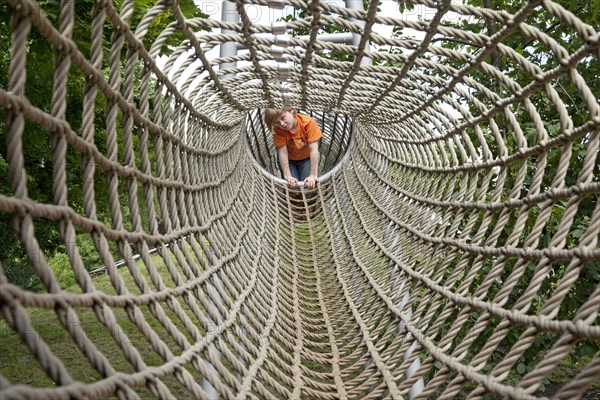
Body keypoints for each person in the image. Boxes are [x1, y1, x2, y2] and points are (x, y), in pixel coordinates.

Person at [264, 109, 322, 189]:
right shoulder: (279, 130)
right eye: (277, 123)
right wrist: (287, 175)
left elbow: (314, 150)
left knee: (308, 187)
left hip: (306, 159)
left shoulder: (308, 123)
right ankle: (292, 197)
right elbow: (282, 152)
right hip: (289, 160)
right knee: (292, 187)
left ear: (291, 111)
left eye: (283, 118)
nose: (282, 124)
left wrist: (313, 175)